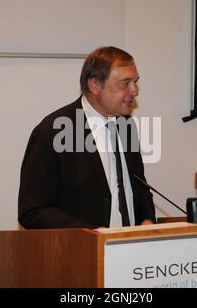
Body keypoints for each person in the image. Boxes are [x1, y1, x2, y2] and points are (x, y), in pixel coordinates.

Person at [18, 46, 156, 229]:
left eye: (135, 82)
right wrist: (90, 235)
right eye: (125, 83)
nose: (134, 91)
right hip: (81, 253)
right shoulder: (53, 131)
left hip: (130, 252)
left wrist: (147, 220)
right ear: (95, 85)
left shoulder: (126, 126)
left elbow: (139, 189)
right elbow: (33, 211)